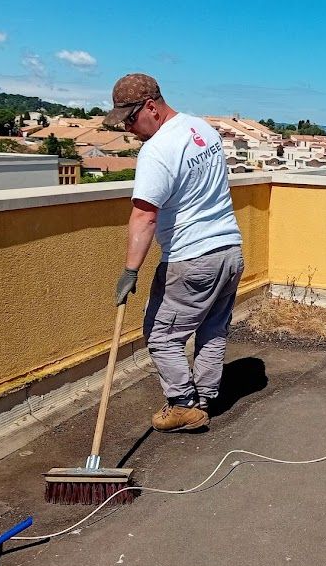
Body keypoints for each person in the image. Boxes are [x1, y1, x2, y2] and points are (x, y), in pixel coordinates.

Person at [103, 73, 244, 432]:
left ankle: (183, 405)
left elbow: (144, 215)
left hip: (192, 257)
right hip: (229, 251)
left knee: (162, 334)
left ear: (151, 107)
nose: (130, 130)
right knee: (213, 327)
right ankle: (206, 397)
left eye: (131, 119)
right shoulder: (203, 130)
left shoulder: (158, 150)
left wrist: (130, 271)